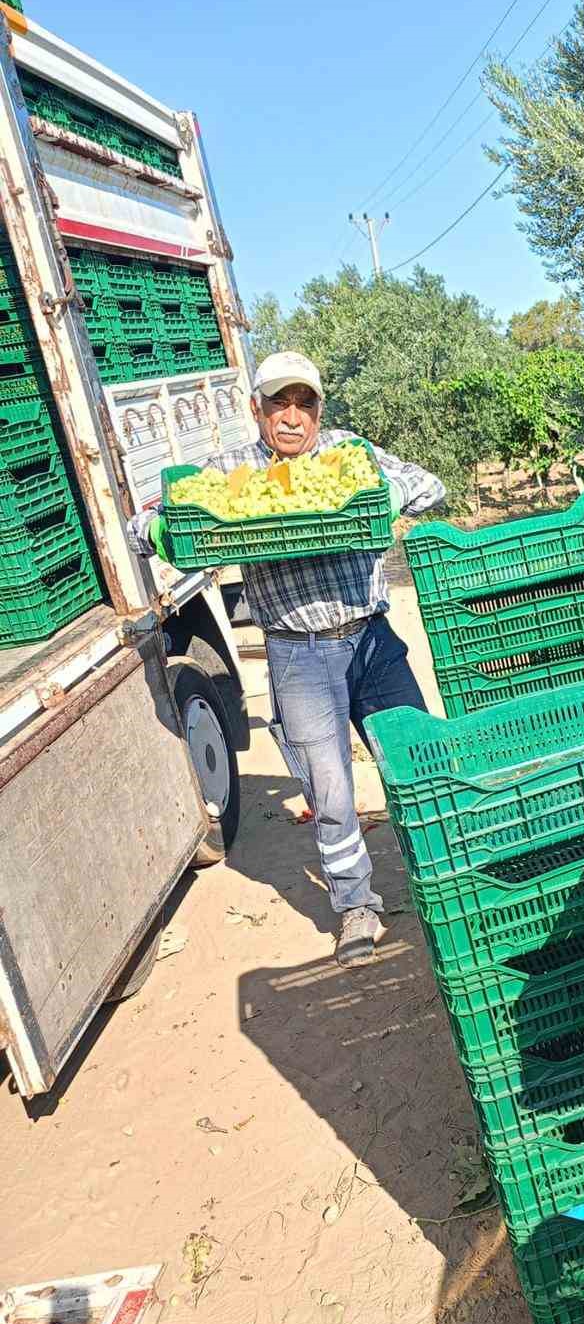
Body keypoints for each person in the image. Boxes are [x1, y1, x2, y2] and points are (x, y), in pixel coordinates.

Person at [132, 351, 446, 968]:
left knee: (418, 763)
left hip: (372, 640)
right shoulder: (231, 471)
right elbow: (146, 518)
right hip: (298, 652)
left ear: (319, 409)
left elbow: (429, 484)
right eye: (280, 403)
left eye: (304, 402)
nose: (293, 417)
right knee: (329, 790)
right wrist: (163, 530)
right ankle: (357, 906)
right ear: (258, 410)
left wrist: (385, 495)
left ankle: (445, 880)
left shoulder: (348, 454)